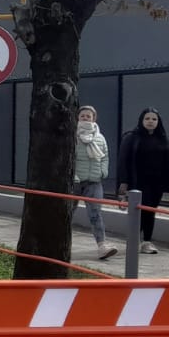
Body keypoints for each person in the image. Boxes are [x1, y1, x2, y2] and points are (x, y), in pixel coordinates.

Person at [117, 107, 169, 254]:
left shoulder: (162, 138)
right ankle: (134, 240)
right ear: (141, 120)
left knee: (151, 211)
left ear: (158, 122)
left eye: (154, 119)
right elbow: (123, 161)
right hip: (138, 182)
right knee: (140, 211)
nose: (150, 122)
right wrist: (124, 182)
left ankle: (147, 241)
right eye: (147, 118)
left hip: (157, 182)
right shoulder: (132, 137)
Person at [72, 105, 118, 260]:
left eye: (88, 116)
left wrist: (103, 172)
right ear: (77, 117)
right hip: (75, 182)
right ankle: (57, 245)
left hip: (94, 182)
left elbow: (105, 156)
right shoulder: (72, 135)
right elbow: (69, 157)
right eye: (83, 116)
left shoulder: (100, 137)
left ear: (94, 118)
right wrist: (73, 175)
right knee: (66, 214)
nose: (85, 118)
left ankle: (102, 246)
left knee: (95, 214)